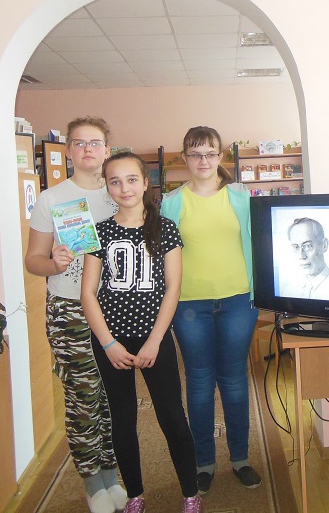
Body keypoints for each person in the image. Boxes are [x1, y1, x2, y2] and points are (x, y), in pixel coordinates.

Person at [81, 152, 203, 513]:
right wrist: (108, 343)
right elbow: (88, 293)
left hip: (155, 338)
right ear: (107, 186)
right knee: (122, 420)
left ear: (145, 182)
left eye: (132, 179)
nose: (124, 188)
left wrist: (155, 340)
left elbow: (173, 288)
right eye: (115, 181)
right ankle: (134, 494)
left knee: (172, 417)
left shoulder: (165, 228)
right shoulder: (98, 231)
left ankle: (191, 493)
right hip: (111, 341)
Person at [24, 117, 126, 513]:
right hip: (69, 310)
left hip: (114, 308)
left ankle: (112, 473)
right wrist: (53, 263)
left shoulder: (118, 193)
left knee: (112, 397)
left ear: (107, 150)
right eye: (79, 143)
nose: (87, 149)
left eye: (95, 142)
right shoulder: (52, 199)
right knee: (83, 397)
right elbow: (33, 260)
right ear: (67, 151)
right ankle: (92, 481)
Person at [160, 126, 261, 495]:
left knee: (234, 381)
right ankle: (203, 463)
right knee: (200, 383)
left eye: (210, 153)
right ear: (184, 158)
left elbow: (258, 242)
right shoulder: (171, 203)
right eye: (195, 153)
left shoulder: (242, 197)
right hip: (189, 304)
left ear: (221, 156)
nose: (203, 160)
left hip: (238, 301)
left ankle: (240, 458)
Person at [281, 217, 329, 300]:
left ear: (324, 245)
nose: (301, 256)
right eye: (296, 247)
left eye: (308, 246)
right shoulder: (289, 290)